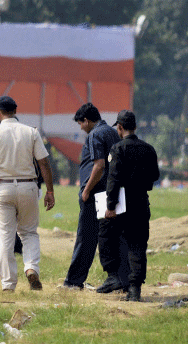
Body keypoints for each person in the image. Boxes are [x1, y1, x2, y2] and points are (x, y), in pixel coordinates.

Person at [0, 95, 55, 292]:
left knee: (5, 237)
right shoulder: (31, 132)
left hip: (3, 188)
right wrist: (50, 191)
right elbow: (44, 163)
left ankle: (8, 284)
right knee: (28, 232)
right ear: (15, 111)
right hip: (28, 186)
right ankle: (31, 268)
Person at [63, 103, 130, 291]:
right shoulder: (112, 132)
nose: (81, 128)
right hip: (113, 192)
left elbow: (99, 165)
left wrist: (86, 190)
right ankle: (119, 279)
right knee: (112, 237)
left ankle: (74, 281)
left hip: (96, 194)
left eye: (80, 124)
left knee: (86, 237)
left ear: (86, 120)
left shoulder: (95, 135)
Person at [97, 110, 159, 301]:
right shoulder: (149, 149)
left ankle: (114, 277)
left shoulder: (117, 149)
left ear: (120, 127)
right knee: (138, 244)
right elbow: (155, 176)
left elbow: (113, 179)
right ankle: (134, 289)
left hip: (122, 204)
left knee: (106, 235)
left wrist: (110, 205)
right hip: (141, 202)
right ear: (136, 126)